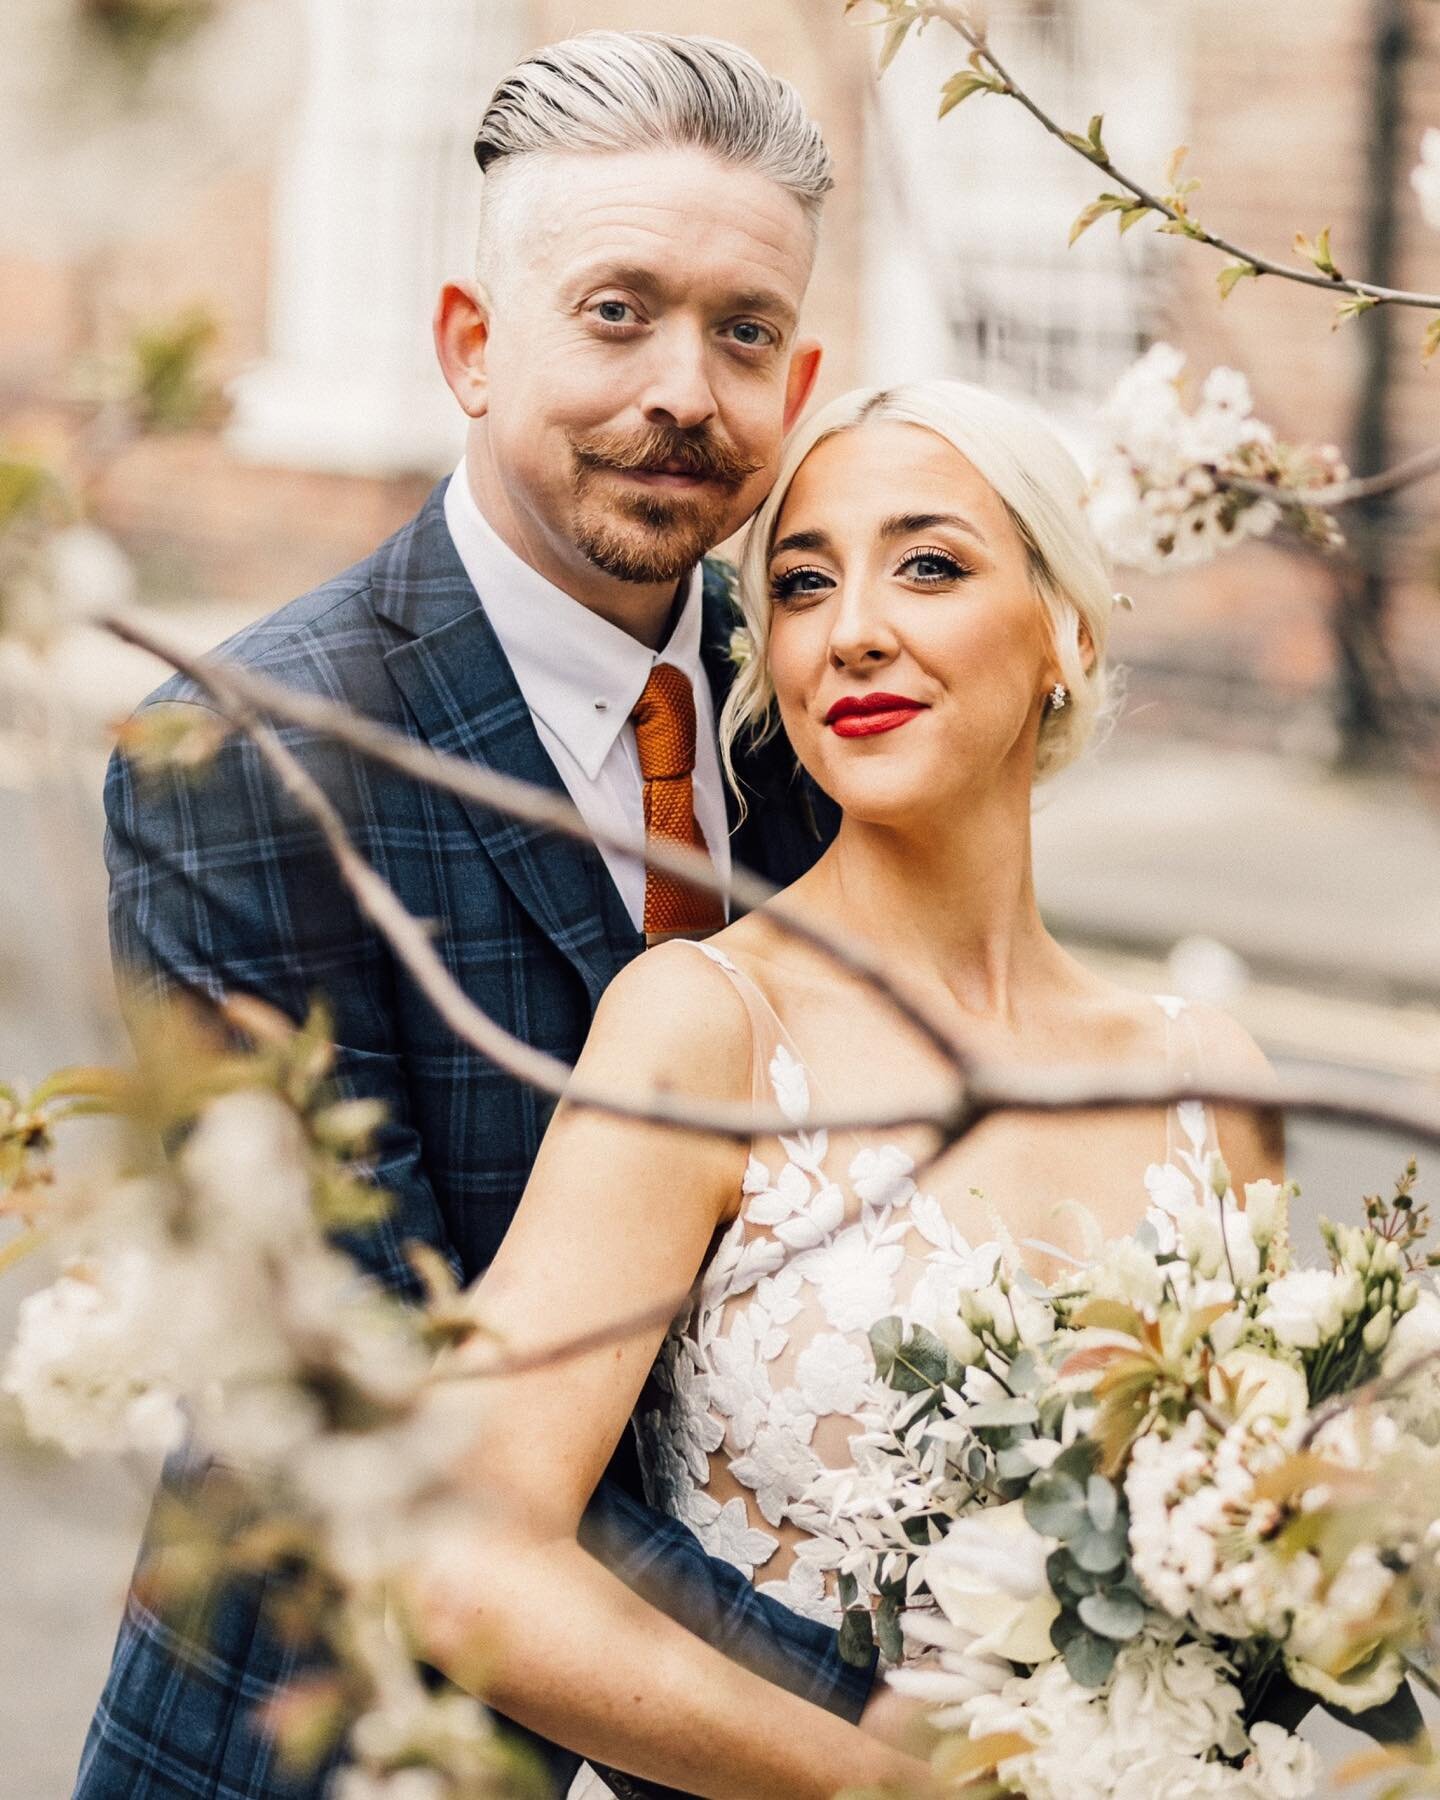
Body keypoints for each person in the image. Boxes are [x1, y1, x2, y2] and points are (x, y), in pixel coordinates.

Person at [77, 31, 901, 1800]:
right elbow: (365, 1407)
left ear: (802, 372)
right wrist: (867, 1716)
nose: (686, 385)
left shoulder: (830, 721)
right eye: (617, 309)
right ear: (470, 341)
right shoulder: (246, 756)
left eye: (744, 332)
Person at [422, 379, 1284, 1798]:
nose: (854, 628)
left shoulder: (1209, 1080)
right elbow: (459, 1559)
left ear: (1068, 626)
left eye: (930, 565)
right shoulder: (709, 1027)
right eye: (804, 586)